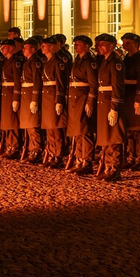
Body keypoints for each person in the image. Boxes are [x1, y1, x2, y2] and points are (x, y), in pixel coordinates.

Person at [91, 33, 127, 181]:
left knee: (114, 137)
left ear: (111, 46)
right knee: (105, 137)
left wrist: (115, 107)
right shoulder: (105, 61)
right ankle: (106, 166)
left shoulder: (115, 63)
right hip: (103, 103)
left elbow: (117, 86)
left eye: (103, 44)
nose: (99, 47)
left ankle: (114, 168)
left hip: (110, 103)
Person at [66, 35, 96, 175]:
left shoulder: (89, 61)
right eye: (75, 44)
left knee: (85, 131)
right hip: (75, 99)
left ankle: (87, 161)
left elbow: (93, 84)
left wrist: (90, 101)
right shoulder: (78, 60)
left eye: (78, 44)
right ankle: (79, 158)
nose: (76, 46)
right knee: (77, 132)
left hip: (83, 98)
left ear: (86, 46)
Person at [121, 33, 140, 170]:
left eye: (128, 43)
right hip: (126, 97)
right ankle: (131, 156)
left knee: (138, 130)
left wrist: (139, 100)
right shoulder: (125, 59)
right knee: (129, 130)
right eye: (124, 42)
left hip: (135, 97)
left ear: (136, 44)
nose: (125, 45)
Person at [39, 37, 68, 168]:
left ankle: (58, 155)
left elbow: (61, 83)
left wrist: (59, 100)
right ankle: (51, 153)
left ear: (51, 47)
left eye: (44, 46)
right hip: (47, 97)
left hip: (53, 97)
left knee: (55, 128)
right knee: (49, 128)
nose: (42, 48)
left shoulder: (58, 62)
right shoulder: (47, 62)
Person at [19, 38, 44, 163]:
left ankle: (36, 151)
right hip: (26, 95)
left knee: (33, 126)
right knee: (28, 125)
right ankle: (31, 149)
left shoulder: (36, 62)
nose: (23, 50)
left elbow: (37, 81)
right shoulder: (28, 61)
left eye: (26, 48)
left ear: (33, 50)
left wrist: (35, 99)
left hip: (31, 95)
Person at [0, 39, 22, 159]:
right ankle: (9, 145)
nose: (2, 49)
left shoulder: (15, 61)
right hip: (6, 92)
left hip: (12, 92)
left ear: (11, 48)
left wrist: (16, 98)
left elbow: (18, 80)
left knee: (12, 121)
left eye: (4, 47)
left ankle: (14, 146)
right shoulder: (7, 61)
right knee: (7, 120)